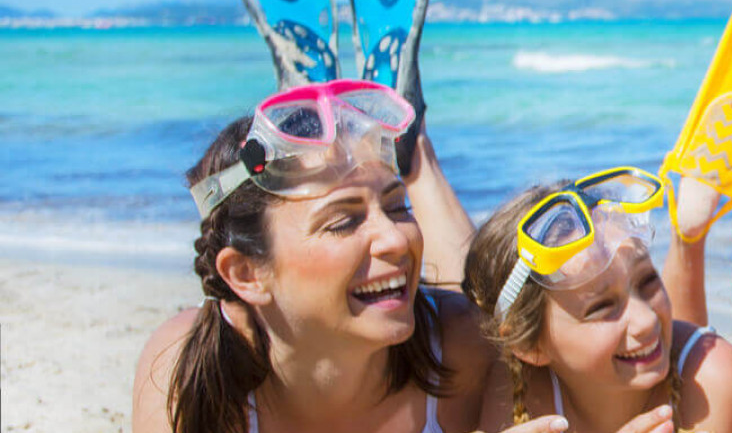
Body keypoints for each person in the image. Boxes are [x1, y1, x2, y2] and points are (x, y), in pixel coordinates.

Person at [129, 81, 544, 432]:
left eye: (399, 208)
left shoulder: (464, 346)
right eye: (342, 221)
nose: (395, 239)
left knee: (480, 299)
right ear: (247, 273)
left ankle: (415, 160)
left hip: (448, 316)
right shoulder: (190, 373)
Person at [460, 170, 732, 433]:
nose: (646, 319)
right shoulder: (519, 395)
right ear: (530, 347)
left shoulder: (716, 383)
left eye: (647, 281)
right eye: (601, 307)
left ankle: (688, 235)